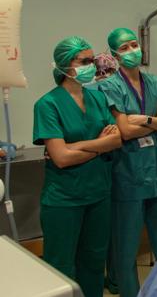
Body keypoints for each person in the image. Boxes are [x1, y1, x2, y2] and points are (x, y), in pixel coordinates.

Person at [32, 36, 122, 297]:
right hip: (64, 199)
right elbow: (61, 158)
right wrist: (99, 144)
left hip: (98, 194)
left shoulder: (96, 98)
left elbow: (116, 140)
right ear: (64, 65)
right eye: (84, 61)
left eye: (92, 61)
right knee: (60, 268)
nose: (91, 66)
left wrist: (77, 147)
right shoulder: (47, 104)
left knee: (94, 264)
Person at [97, 28, 157, 297]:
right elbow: (124, 132)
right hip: (127, 175)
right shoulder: (109, 86)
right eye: (126, 47)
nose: (134, 50)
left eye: (135, 44)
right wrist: (155, 121)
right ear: (115, 55)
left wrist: (140, 119)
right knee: (125, 247)